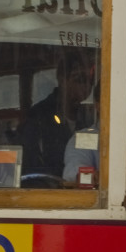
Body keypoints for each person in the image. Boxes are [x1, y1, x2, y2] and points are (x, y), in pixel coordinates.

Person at [18, 52, 96, 184]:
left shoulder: (90, 119)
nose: (86, 87)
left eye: (90, 82)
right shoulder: (38, 117)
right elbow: (30, 169)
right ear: (61, 79)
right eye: (79, 79)